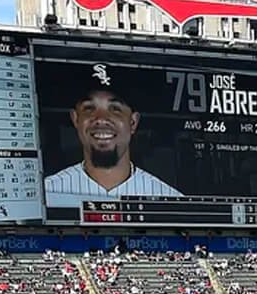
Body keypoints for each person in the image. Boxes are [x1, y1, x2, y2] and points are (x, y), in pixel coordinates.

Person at [45, 65, 183, 198]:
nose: (101, 119)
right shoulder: (46, 193)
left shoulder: (169, 198)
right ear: (75, 119)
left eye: (115, 109)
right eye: (89, 108)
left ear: (133, 122)